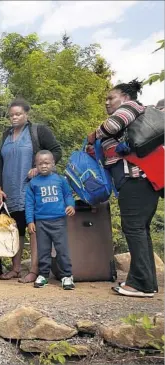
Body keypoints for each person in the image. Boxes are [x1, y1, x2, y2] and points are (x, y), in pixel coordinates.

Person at [87, 80, 161, 298]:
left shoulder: (131, 107)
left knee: (134, 228)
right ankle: (147, 282)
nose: (107, 102)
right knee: (140, 230)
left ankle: (140, 284)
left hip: (136, 178)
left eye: (111, 98)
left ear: (126, 97)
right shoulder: (129, 112)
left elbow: (111, 127)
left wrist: (95, 134)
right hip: (138, 181)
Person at [0, 98, 62, 283]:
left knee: (33, 229)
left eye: (18, 114)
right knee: (15, 229)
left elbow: (56, 151)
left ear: (26, 114)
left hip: (32, 189)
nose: (14, 118)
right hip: (10, 190)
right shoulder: (6, 135)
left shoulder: (37, 131)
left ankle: (34, 270)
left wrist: (39, 167)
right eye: (11, 115)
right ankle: (15, 269)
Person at [25, 150, 75, 290]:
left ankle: (67, 276)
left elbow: (68, 196)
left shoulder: (60, 180)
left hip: (58, 220)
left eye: (47, 163)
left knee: (62, 249)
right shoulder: (33, 183)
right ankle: (43, 275)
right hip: (41, 222)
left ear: (53, 164)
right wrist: (30, 221)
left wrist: (71, 205)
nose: (44, 166)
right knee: (43, 250)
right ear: (36, 165)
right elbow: (29, 204)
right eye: (40, 163)